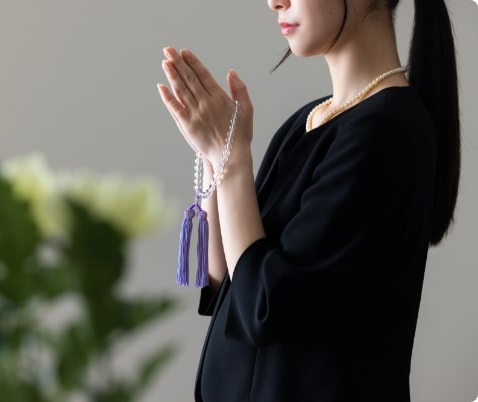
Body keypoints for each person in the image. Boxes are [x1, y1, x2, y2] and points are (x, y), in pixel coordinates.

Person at [157, 0, 460, 400]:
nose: (274, 2)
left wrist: (233, 162)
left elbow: (265, 306)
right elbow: (231, 284)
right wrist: (216, 153)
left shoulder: (384, 131)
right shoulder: (309, 121)